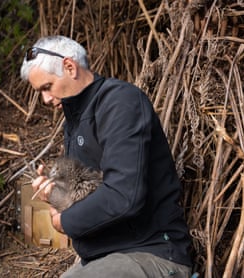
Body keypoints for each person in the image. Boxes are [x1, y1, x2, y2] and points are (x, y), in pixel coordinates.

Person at [20, 35, 193, 277]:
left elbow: (124, 195)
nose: (45, 99)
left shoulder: (120, 103)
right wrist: (55, 192)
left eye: (47, 87)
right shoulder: (74, 121)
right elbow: (89, 191)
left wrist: (65, 221)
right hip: (103, 254)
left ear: (70, 67)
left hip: (151, 251)